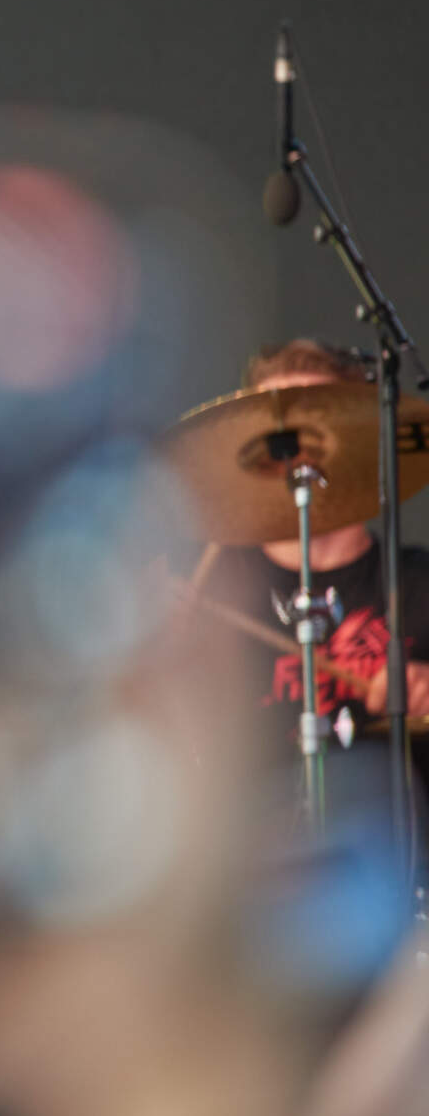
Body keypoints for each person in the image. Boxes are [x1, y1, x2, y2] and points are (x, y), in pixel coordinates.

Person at [190, 339, 428, 798]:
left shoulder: (418, 584)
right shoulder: (211, 593)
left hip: (396, 836)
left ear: (359, 443)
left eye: (314, 428)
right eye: (277, 434)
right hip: (254, 838)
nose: (293, 454)